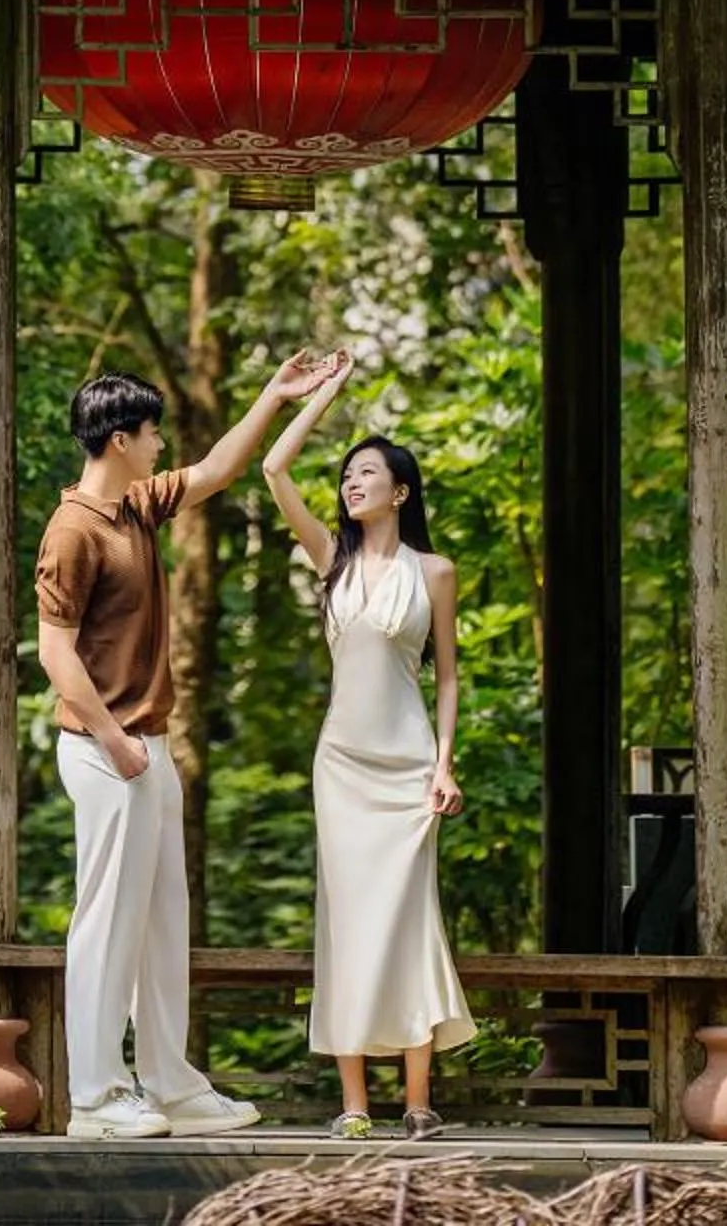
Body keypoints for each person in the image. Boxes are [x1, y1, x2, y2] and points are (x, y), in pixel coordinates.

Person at [35, 349, 341, 1141]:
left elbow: (217, 470)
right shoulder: (73, 530)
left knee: (162, 923)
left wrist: (276, 394)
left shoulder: (136, 506)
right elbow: (55, 652)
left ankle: (170, 1084)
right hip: (107, 750)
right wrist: (114, 741)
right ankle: (95, 1097)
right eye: (152, 432)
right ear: (119, 438)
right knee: (107, 923)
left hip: (147, 746)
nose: (162, 444)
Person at [263, 356, 475, 1139]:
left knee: (410, 922)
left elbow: (447, 677)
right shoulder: (331, 559)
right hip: (343, 769)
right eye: (347, 475)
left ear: (402, 492)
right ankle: (354, 1104)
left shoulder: (436, 572)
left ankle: (418, 1102)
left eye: (368, 473)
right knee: (347, 923)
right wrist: (325, 395)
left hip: (410, 770)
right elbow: (274, 468)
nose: (353, 483)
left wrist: (444, 765)